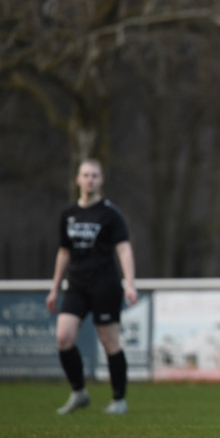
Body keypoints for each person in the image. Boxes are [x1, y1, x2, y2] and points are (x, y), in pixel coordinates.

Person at [47, 158, 138, 415]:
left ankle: (119, 399)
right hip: (76, 285)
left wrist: (129, 283)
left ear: (101, 180)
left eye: (94, 176)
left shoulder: (110, 213)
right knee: (64, 337)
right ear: (77, 179)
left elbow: (124, 248)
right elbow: (64, 252)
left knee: (110, 341)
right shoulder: (69, 214)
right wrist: (55, 288)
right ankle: (79, 393)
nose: (90, 180)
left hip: (105, 285)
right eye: (85, 175)